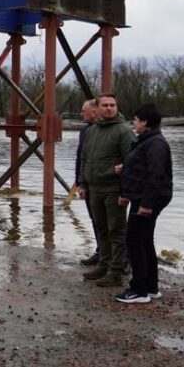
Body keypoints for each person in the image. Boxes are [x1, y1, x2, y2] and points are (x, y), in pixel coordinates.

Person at [113, 104, 173, 304]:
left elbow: (156, 175)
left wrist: (146, 204)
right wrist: (125, 171)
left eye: (136, 120)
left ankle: (139, 290)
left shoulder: (155, 143)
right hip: (140, 197)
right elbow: (141, 168)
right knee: (145, 241)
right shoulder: (144, 141)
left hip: (148, 200)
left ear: (145, 122)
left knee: (134, 241)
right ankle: (150, 286)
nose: (134, 123)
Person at [78, 93, 133, 288]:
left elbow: (131, 162)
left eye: (113, 105)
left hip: (113, 188)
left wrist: (125, 192)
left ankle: (116, 271)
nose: (109, 108)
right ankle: (104, 264)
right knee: (101, 228)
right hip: (94, 187)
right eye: (106, 105)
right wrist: (82, 184)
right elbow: (85, 159)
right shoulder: (92, 131)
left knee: (116, 230)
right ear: (98, 109)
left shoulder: (124, 131)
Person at [76, 99, 101, 266]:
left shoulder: (107, 131)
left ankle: (122, 257)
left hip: (104, 183)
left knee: (112, 223)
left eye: (84, 111)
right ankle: (101, 251)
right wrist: (79, 182)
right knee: (95, 218)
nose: (81, 114)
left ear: (93, 112)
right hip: (88, 182)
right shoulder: (85, 131)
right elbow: (81, 158)